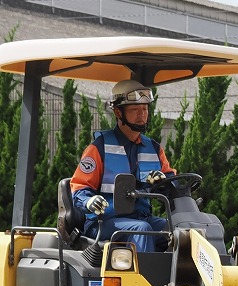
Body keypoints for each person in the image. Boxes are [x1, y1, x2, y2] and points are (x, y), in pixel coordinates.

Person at [70, 80, 175, 254]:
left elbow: (172, 182)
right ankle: (143, 280)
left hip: (142, 218)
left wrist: (164, 183)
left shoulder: (155, 149)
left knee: (178, 230)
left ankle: (177, 280)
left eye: (145, 109)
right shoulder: (99, 148)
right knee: (141, 229)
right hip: (103, 222)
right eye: (135, 110)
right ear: (118, 112)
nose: (142, 114)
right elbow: (79, 187)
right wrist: (89, 201)